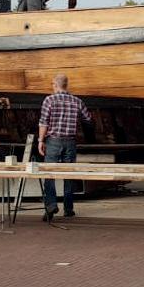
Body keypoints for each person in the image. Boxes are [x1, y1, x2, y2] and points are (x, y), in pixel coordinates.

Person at [37, 73, 93, 222]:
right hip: (70, 142)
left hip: (53, 141)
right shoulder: (77, 101)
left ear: (55, 85)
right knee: (68, 175)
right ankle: (68, 209)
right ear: (66, 85)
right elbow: (88, 119)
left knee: (49, 174)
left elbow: (44, 122)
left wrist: (40, 140)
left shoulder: (49, 100)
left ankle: (51, 205)